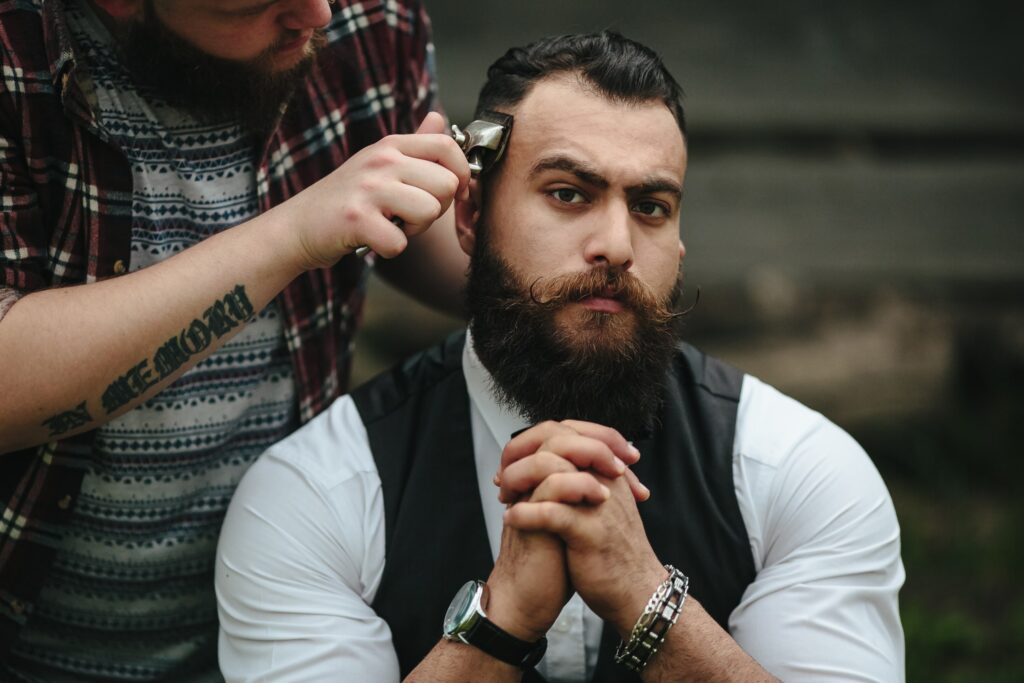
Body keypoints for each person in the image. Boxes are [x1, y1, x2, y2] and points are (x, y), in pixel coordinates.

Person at [215, 31, 905, 683]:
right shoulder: (315, 492)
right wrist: (502, 617)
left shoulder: (797, 471)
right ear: (470, 215)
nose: (616, 244)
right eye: (569, 193)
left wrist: (647, 599)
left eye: (652, 206)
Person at [0, 0, 470, 679]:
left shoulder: (369, 12)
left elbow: (406, 224)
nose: (318, 15)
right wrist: (290, 235)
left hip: (290, 630)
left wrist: (586, 251)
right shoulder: (18, 44)